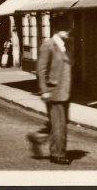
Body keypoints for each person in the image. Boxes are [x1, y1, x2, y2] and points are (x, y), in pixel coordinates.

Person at [26, 21, 73, 165]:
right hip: (54, 91)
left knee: (61, 122)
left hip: (65, 91)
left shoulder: (65, 46)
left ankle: (37, 137)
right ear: (57, 29)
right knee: (59, 124)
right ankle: (57, 154)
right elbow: (41, 70)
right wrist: (44, 90)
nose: (68, 32)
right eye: (65, 29)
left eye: (69, 29)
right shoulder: (48, 45)